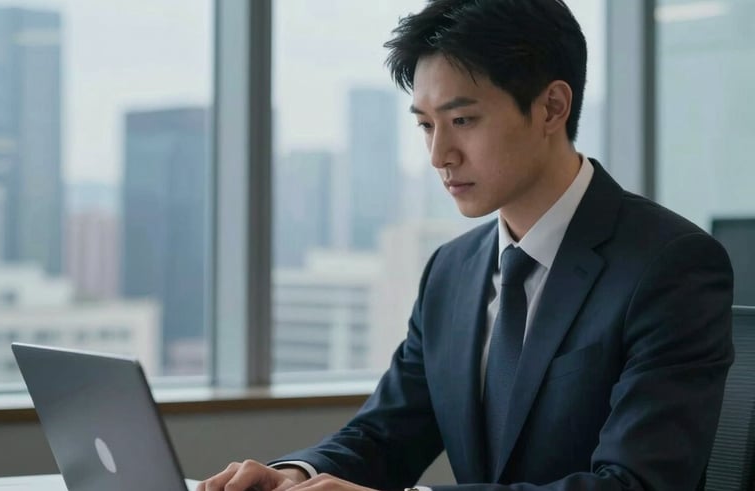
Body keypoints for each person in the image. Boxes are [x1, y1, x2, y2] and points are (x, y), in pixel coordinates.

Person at [197, 0, 734, 490]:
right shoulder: (451, 271)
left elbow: (634, 486)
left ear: (551, 108)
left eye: (462, 121)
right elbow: (386, 435)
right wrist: (294, 475)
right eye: (427, 126)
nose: (439, 155)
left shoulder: (670, 266)